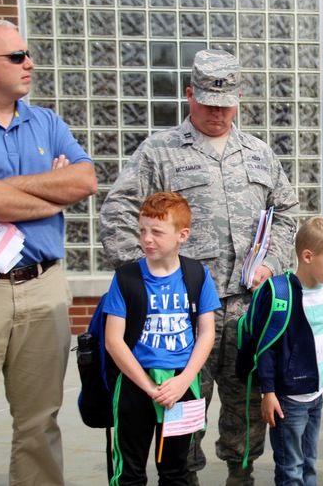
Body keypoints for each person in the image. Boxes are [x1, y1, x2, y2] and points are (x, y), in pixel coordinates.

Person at [99, 49, 299, 486]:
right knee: (185, 404)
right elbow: (117, 212)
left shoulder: (260, 153)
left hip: (247, 306)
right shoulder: (161, 151)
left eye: (226, 104)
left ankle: (240, 475)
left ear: (239, 98)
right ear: (189, 95)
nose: (218, 113)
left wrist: (270, 261)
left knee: (246, 402)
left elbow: (286, 212)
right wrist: (143, 279)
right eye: (208, 103)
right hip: (183, 311)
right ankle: (182, 476)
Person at [0, 19, 97, 486]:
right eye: (17, 56)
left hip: (43, 286)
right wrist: (51, 192)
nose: (30, 63)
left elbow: (85, 181)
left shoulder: (46, 121)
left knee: (40, 422)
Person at [104, 192, 220, 485]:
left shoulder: (198, 275)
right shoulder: (126, 278)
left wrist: (184, 380)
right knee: (129, 472)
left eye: (157, 231)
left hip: (182, 386)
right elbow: (113, 341)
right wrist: (148, 387)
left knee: (176, 470)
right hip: (136, 384)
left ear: (183, 235)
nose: (147, 239)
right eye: (142, 230)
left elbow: (207, 332)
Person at [254, 216, 323, 486]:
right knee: (290, 467)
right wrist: (268, 392)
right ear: (307, 256)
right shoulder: (281, 293)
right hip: (288, 398)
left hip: (316, 392)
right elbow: (267, 349)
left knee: (309, 461)